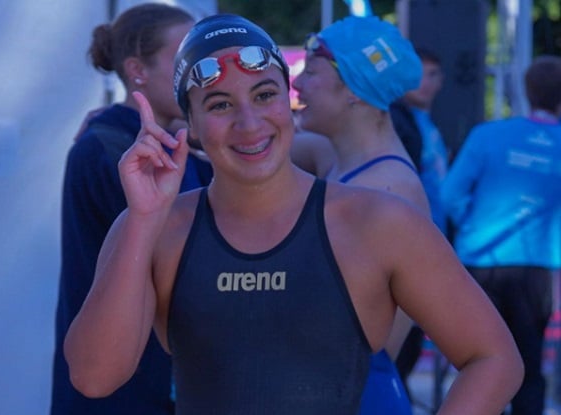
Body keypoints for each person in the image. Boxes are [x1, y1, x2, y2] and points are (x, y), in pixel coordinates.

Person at [63, 13, 523, 415]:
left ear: (289, 101)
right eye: (220, 104)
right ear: (192, 125)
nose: (249, 122)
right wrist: (143, 219)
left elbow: (494, 357)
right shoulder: (159, 229)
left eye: (265, 95)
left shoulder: (379, 222)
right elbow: (93, 377)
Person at [50, 4, 212, 415]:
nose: (196, 72)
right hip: (124, 388)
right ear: (137, 70)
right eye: (182, 59)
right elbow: (190, 253)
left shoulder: (167, 143)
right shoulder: (110, 150)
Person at [291, 16, 429, 414]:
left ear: (352, 88)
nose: (296, 85)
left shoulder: (387, 190)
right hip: (329, 389)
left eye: (310, 72)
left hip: (355, 396)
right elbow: (242, 145)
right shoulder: (335, 157)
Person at [441, 55, 561, 415]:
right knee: (527, 367)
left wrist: (474, 227)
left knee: (476, 366)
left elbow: (449, 196)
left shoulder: (487, 135)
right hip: (536, 270)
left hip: (480, 262)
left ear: (526, 91)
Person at [389, 47, 450, 398]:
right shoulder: (398, 123)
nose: (424, 83)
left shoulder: (424, 125)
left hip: (431, 245)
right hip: (412, 248)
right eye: (418, 73)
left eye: (432, 75)